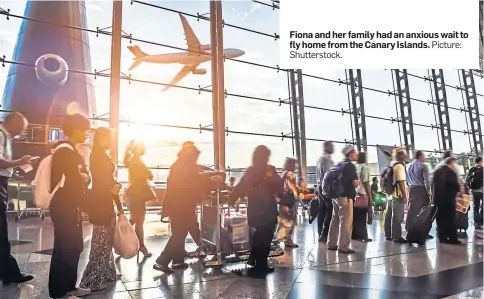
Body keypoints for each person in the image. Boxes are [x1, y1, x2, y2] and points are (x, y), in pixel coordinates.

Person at [155, 143, 222, 273]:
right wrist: (212, 179)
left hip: (180, 206)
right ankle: (161, 261)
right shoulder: (183, 167)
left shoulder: (180, 165)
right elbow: (194, 181)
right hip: (181, 207)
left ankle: (178, 261)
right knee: (178, 235)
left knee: (184, 232)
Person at [48, 113, 91, 298]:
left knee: (72, 246)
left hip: (67, 205)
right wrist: (84, 176)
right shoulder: (65, 151)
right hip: (65, 205)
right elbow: (75, 178)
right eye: (84, 129)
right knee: (67, 247)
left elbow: (78, 176)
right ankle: (62, 290)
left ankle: (68, 287)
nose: (86, 133)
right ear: (75, 129)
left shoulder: (68, 149)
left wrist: (83, 175)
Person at [79, 127, 123, 291]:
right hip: (102, 203)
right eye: (110, 138)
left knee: (105, 240)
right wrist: (113, 190)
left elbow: (107, 181)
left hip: (104, 202)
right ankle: (92, 280)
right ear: (103, 138)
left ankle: (108, 273)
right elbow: (104, 182)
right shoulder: (98, 156)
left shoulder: (99, 155)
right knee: (101, 242)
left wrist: (116, 199)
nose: (112, 141)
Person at [229, 145, 284, 275]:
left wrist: (232, 198)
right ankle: (261, 264)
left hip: (254, 210)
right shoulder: (269, 170)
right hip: (267, 211)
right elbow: (278, 185)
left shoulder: (250, 171)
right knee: (265, 239)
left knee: (257, 237)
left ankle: (253, 259)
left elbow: (241, 186)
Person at [0, 112, 34, 285]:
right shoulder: (0, 135)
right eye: (21, 127)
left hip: (3, 181)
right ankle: (9, 272)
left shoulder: (6, 138)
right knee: (1, 230)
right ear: (12, 122)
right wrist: (19, 161)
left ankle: (7, 271)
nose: (21, 131)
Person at [327, 145, 359, 253]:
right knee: (346, 222)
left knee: (335, 219)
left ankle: (331, 243)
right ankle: (344, 246)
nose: (356, 154)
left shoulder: (339, 164)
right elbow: (355, 184)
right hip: (346, 197)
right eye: (355, 152)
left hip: (336, 196)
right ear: (350, 153)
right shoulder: (350, 166)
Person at [124, 140, 153, 257]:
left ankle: (122, 240)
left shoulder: (131, 161)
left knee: (134, 220)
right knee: (139, 222)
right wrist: (148, 173)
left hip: (132, 194)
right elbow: (148, 176)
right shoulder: (138, 163)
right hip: (138, 196)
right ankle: (141, 246)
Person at [432, 157, 461, 244]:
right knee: (451, 219)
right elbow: (456, 186)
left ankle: (442, 237)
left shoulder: (436, 171)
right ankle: (452, 238)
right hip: (448, 199)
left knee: (440, 219)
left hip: (438, 199)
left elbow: (432, 184)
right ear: (451, 163)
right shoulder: (451, 172)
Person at [405, 151, 432, 238]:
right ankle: (423, 232)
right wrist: (429, 193)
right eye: (424, 156)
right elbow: (426, 181)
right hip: (421, 190)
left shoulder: (407, 166)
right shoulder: (423, 166)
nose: (424, 158)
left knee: (412, 211)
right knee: (424, 212)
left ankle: (410, 230)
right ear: (420, 156)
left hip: (411, 189)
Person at [384, 148, 408, 243]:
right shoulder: (399, 166)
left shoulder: (391, 164)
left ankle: (388, 234)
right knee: (398, 217)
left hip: (390, 194)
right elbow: (401, 182)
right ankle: (397, 237)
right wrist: (404, 195)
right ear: (400, 155)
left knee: (389, 215)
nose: (405, 156)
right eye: (404, 154)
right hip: (398, 194)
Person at [276, 157, 299, 248]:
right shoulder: (290, 174)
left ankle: (277, 240)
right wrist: (297, 197)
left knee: (282, 222)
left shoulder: (283, 173)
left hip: (282, 200)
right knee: (289, 222)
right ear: (289, 164)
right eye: (294, 164)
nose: (295, 166)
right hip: (288, 201)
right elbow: (293, 188)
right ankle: (288, 241)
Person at [316, 141, 334, 243]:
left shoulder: (319, 159)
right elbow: (329, 176)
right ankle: (325, 234)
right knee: (330, 212)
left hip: (320, 189)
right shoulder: (327, 159)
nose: (333, 148)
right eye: (331, 146)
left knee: (321, 212)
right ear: (326, 147)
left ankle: (320, 233)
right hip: (326, 190)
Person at [352, 152, 372, 242]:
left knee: (356, 217)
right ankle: (364, 236)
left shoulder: (355, 167)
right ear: (365, 158)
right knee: (363, 217)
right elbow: (366, 182)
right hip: (363, 194)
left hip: (354, 194)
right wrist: (369, 195)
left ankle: (355, 235)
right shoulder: (365, 167)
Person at [468, 157, 483, 229]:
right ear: (480, 161)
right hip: (482, 191)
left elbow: (467, 180)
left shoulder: (472, 169)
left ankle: (477, 223)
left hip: (474, 191)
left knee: (475, 207)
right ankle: (482, 220)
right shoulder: (483, 169)